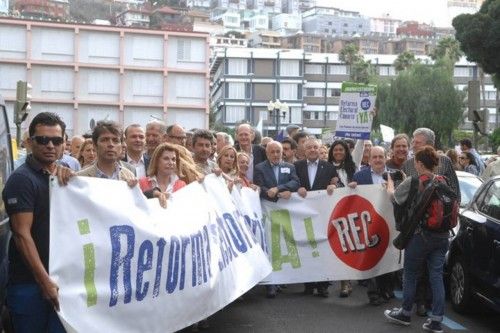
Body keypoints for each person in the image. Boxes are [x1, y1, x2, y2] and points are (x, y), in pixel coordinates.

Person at [2, 112, 72, 332]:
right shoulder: (22, 180)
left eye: (56, 140)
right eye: (42, 140)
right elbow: (22, 235)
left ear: (64, 144)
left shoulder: (63, 177)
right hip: (30, 285)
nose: (50, 145)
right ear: (30, 142)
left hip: (62, 282)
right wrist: (44, 282)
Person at [384, 146, 450, 333]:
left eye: (416, 162)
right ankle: (436, 320)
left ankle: (405, 313)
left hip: (420, 236)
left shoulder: (413, 180)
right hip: (442, 236)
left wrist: (390, 184)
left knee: (410, 274)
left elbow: (395, 199)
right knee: (436, 276)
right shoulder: (442, 180)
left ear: (420, 163)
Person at [401, 128, 460, 317]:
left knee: (415, 271)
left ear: (429, 144)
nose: (412, 145)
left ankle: (407, 311)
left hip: (424, 231)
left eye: (416, 142)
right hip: (438, 234)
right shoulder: (408, 164)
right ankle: (432, 314)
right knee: (429, 273)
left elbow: (455, 194)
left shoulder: (445, 162)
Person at [349, 146, 396, 306]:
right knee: (371, 259)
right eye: (374, 157)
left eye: (380, 157)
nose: (377, 160)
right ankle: (373, 293)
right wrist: (352, 188)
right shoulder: (359, 176)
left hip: (388, 224)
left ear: (385, 158)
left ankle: (385, 290)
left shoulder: (393, 176)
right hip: (368, 224)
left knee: (387, 258)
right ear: (369, 160)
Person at [254, 141, 299, 298]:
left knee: (285, 246)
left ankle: (283, 279)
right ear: (267, 153)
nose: (275, 155)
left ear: (282, 153)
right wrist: (271, 192)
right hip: (268, 212)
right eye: (272, 152)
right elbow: (259, 188)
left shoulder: (290, 167)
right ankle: (271, 285)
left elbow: (295, 182)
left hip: (286, 213)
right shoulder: (259, 168)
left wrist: (280, 189)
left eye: (278, 152)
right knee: (270, 247)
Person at [295, 138, 337, 298]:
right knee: (306, 247)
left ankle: (323, 285)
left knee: (322, 249)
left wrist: (334, 186)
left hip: (323, 214)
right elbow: (292, 183)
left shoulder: (329, 167)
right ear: (304, 151)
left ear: (320, 149)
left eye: (315, 147)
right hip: (303, 214)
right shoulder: (296, 166)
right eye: (309, 148)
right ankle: (308, 284)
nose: (312, 150)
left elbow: (337, 185)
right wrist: (297, 187)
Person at [327, 139, 357, 297]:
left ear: (346, 152)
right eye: (335, 150)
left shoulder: (352, 168)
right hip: (331, 212)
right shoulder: (325, 168)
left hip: (349, 211)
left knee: (347, 246)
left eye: (341, 150)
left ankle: (346, 283)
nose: (338, 152)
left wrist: (354, 184)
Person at [139, 143, 186, 208]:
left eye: (173, 159)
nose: (171, 163)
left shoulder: (182, 185)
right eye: (166, 159)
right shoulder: (142, 182)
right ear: (157, 161)